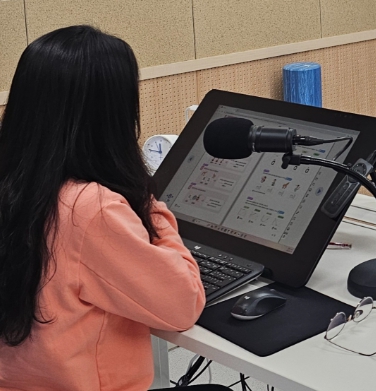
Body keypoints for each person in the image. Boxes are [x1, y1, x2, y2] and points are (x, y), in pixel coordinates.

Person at [0, 26, 228, 391]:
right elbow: (183, 306)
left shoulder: (14, 185)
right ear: (111, 115)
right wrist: (145, 202)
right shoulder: (90, 208)